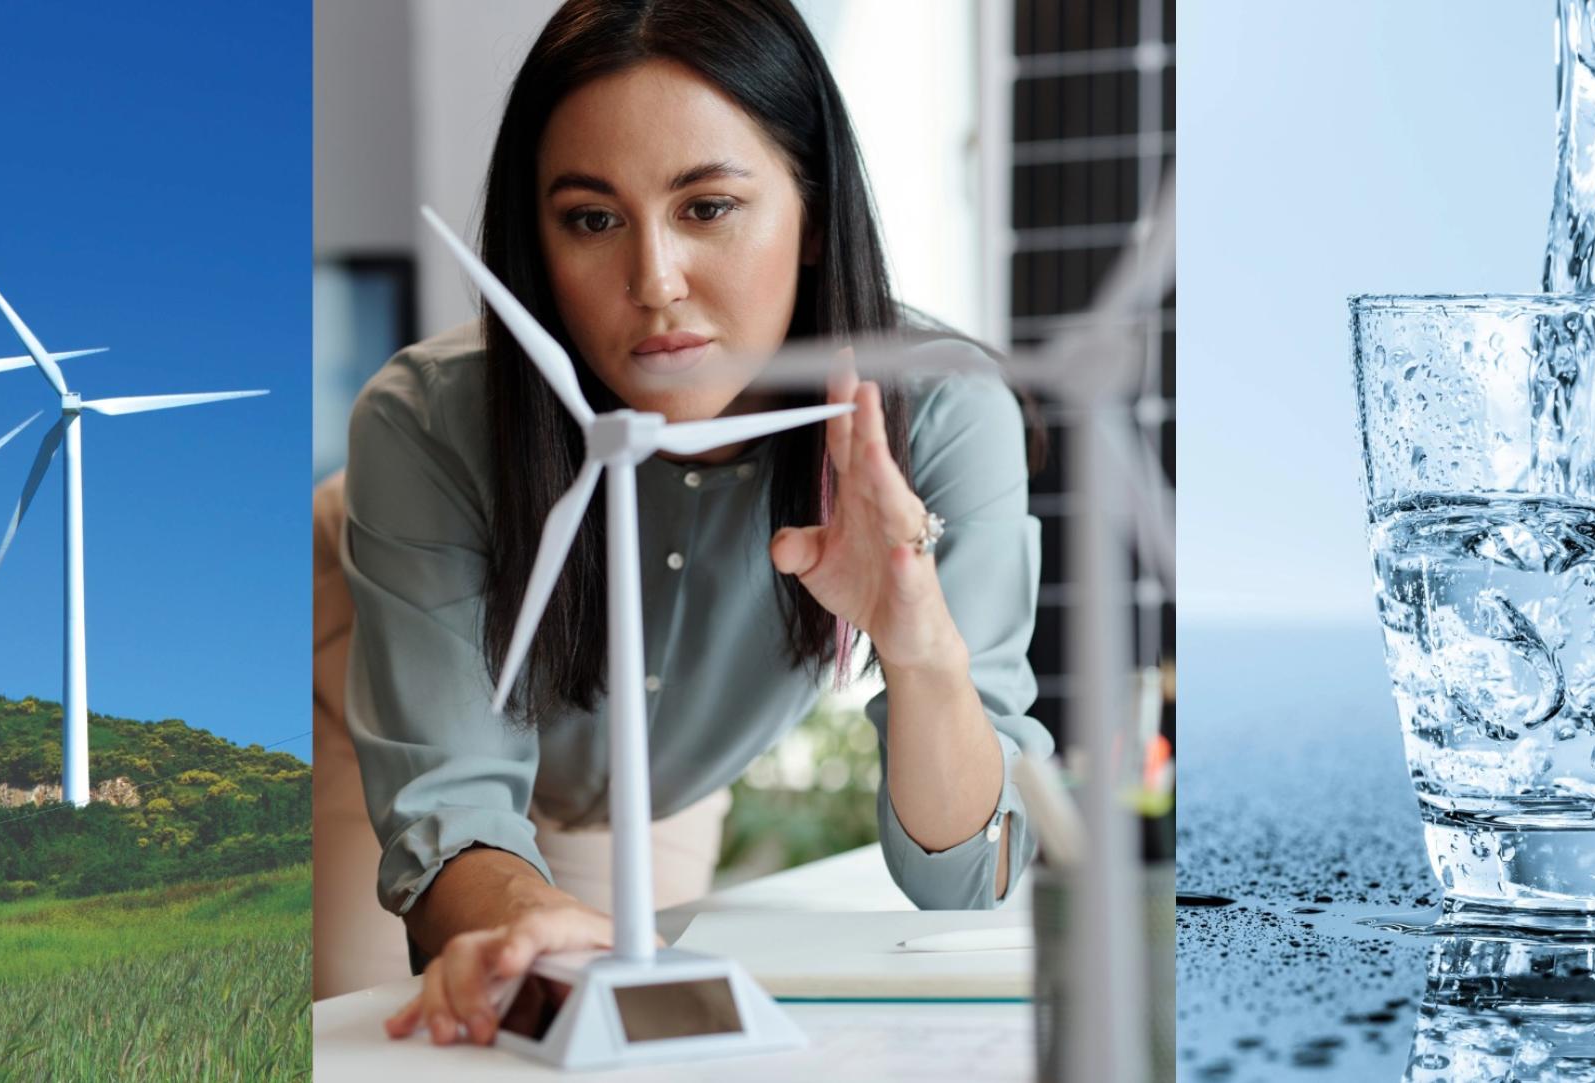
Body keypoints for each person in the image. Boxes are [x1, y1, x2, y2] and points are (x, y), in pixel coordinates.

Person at [316, 0, 1049, 1044]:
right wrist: (520, 921)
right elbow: (447, 804)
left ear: (813, 216)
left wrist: (916, 635)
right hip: (362, 699)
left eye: (706, 207)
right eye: (590, 218)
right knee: (381, 1023)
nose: (653, 283)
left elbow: (971, 878)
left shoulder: (940, 414)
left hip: (655, 785)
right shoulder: (427, 423)